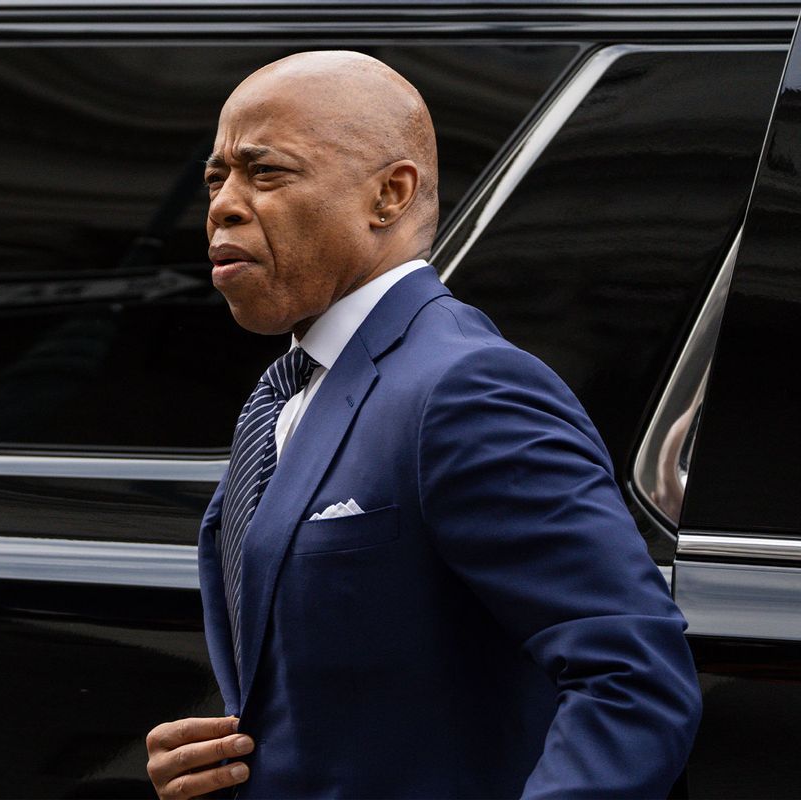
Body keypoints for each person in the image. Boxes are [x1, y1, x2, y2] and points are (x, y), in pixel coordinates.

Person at [144, 51, 702, 799]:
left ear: (389, 194)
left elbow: (634, 679)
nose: (223, 204)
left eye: (265, 172)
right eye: (217, 178)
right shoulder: (284, 393)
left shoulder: (469, 387)